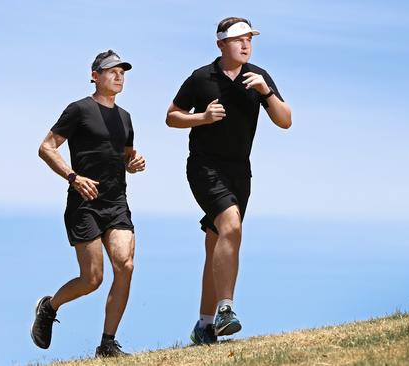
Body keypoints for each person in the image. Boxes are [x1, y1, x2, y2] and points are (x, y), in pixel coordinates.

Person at [166, 17, 292, 345]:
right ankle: (225, 311)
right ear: (221, 44)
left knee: (217, 244)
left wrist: (267, 94)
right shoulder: (201, 78)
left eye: (249, 38)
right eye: (238, 39)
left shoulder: (259, 77)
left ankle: (204, 326)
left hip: (240, 172)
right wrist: (202, 118)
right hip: (205, 168)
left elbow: (285, 120)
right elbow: (171, 116)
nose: (246, 44)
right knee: (232, 227)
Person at [31, 50, 146, 358]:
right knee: (92, 278)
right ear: (95, 76)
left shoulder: (125, 117)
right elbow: (46, 147)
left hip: (116, 202)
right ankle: (49, 307)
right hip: (84, 203)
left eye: (122, 71)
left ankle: (107, 344)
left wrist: (133, 162)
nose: (119, 75)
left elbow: (125, 154)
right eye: (112, 71)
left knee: (126, 265)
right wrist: (73, 177)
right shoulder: (79, 109)